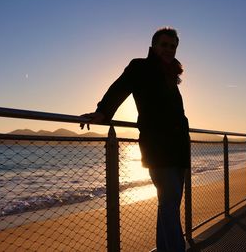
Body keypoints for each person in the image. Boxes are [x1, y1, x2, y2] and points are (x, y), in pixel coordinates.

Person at [80, 27, 190, 252]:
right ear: (154, 46)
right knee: (169, 207)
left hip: (179, 149)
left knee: (168, 206)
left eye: (173, 46)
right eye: (164, 45)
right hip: (159, 148)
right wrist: (102, 112)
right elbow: (119, 88)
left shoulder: (171, 74)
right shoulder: (140, 67)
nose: (169, 49)